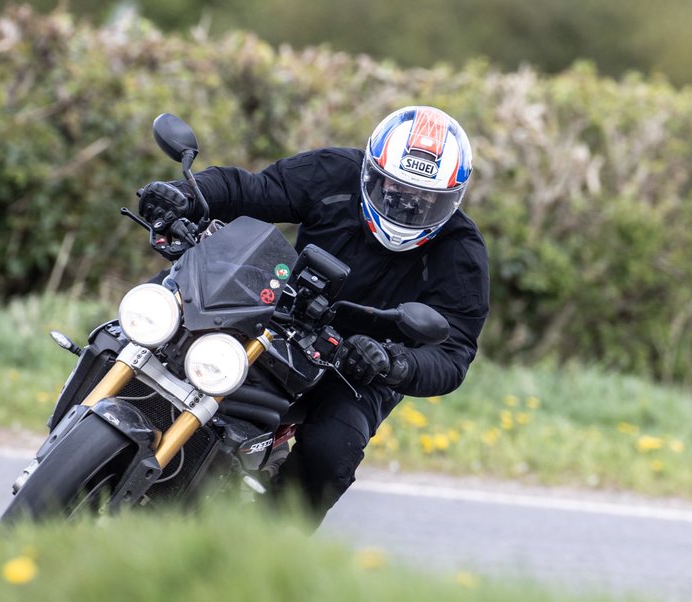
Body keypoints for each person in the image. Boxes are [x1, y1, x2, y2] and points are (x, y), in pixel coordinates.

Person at [135, 106, 490, 523]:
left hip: (360, 364)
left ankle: (269, 550)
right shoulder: (334, 171)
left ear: (453, 198)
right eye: (393, 190)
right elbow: (254, 189)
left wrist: (395, 362)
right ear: (369, 172)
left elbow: (453, 352)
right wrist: (189, 195)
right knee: (166, 310)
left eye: (426, 200)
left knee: (331, 449)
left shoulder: (462, 253)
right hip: (281, 309)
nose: (406, 206)